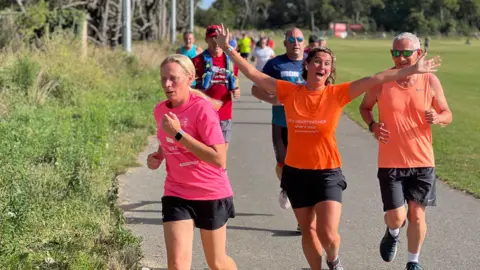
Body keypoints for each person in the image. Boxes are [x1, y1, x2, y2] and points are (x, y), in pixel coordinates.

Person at [214, 24, 441, 270]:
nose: (322, 66)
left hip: (327, 173)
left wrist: (412, 69)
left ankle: (333, 260)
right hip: (296, 173)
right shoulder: (289, 92)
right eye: (317, 61)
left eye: (327, 64)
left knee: (329, 235)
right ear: (307, 65)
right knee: (309, 232)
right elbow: (254, 75)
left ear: (330, 71)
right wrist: (228, 49)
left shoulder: (337, 94)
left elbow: (376, 78)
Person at [359, 32, 452, 270]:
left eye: (405, 53)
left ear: (418, 54)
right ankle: (392, 232)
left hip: (422, 160)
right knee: (397, 217)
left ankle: (413, 262)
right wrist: (372, 125)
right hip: (390, 161)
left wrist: (438, 117)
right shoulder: (383, 80)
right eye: (395, 53)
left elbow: (447, 114)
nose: (400, 58)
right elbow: (365, 107)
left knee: (418, 215)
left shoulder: (430, 81)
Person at [148, 54, 237, 270]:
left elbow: (219, 158)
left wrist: (178, 134)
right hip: (177, 193)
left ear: (190, 78)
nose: (167, 85)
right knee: (177, 265)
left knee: (217, 262)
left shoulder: (202, 109)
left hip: (210, 192)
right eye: (163, 79)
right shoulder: (161, 110)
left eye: (173, 78)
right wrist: (159, 155)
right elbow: (166, 138)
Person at [251, 28, 306, 233]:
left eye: (299, 39)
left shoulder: (311, 62)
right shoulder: (275, 64)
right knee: (283, 166)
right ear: (285, 43)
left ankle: (302, 219)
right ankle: (286, 186)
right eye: (291, 40)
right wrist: (272, 99)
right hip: (281, 124)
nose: (296, 43)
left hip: (306, 127)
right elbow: (256, 88)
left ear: (304, 41)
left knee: (303, 171)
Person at [192, 25, 241, 153]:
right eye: (213, 38)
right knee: (207, 151)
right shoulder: (196, 61)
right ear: (206, 40)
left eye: (219, 38)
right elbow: (187, 88)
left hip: (225, 112)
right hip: (204, 114)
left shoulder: (231, 61)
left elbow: (235, 82)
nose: (216, 41)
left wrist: (236, 90)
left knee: (222, 152)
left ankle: (220, 171)